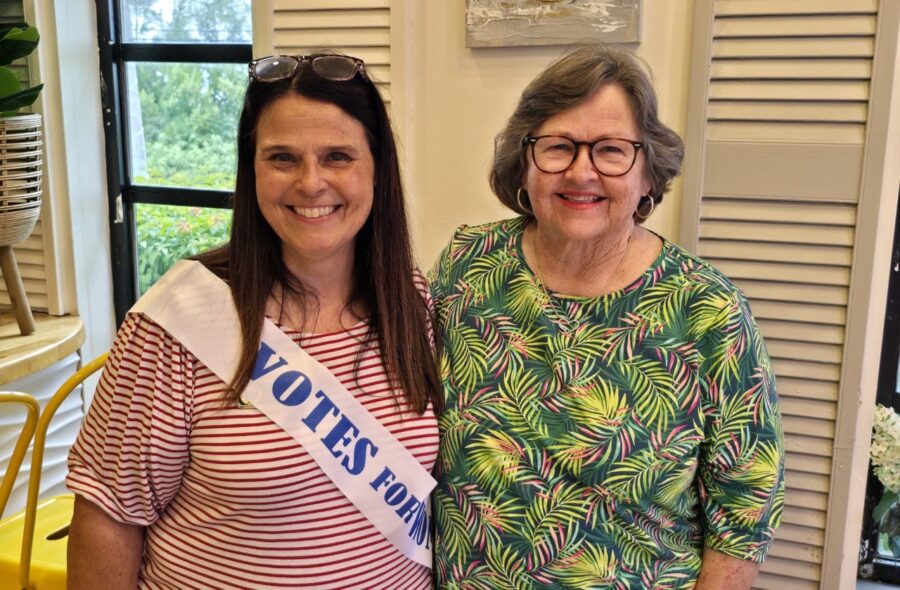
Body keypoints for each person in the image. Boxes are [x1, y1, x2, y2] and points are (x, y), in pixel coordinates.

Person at [66, 53, 442, 589]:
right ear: (252, 170)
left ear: (377, 170)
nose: (311, 183)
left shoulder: (409, 298)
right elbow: (108, 516)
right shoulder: (177, 321)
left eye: (338, 156)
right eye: (282, 158)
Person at [430, 44, 783, 589]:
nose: (581, 171)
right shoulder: (467, 268)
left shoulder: (707, 310)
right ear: (524, 165)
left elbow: (747, 511)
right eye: (559, 146)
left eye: (611, 151)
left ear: (648, 173)